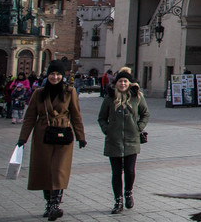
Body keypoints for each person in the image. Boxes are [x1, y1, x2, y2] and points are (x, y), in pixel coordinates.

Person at [17, 60, 86, 220]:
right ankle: (49, 204)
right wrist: (22, 138)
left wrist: (81, 137)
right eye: (52, 74)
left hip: (63, 134)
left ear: (62, 76)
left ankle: (55, 205)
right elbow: (29, 117)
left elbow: (76, 115)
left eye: (58, 74)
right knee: (45, 170)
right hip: (43, 134)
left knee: (59, 170)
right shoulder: (39, 93)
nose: (55, 77)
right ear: (48, 75)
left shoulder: (70, 92)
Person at [98, 67, 149, 214]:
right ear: (116, 83)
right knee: (116, 172)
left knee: (130, 171)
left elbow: (145, 114)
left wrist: (138, 128)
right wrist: (107, 129)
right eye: (120, 81)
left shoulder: (136, 96)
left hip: (131, 139)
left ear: (129, 83)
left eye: (125, 81)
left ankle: (128, 193)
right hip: (114, 140)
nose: (123, 84)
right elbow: (101, 117)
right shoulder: (109, 98)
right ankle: (118, 200)